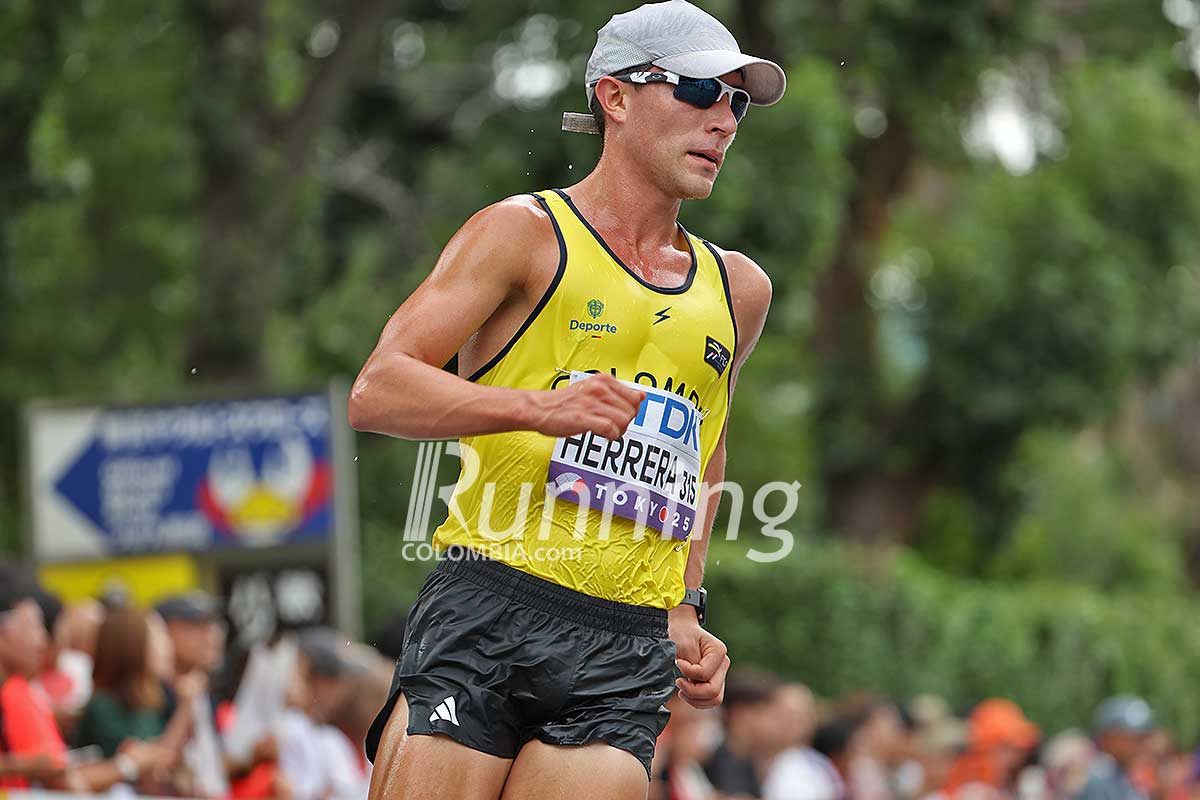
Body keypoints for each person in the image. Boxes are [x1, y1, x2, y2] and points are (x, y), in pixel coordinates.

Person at [350, 0, 783, 795]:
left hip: (625, 641)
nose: (724, 119)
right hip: (489, 601)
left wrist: (686, 603)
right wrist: (537, 409)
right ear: (616, 97)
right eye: (698, 91)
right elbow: (378, 390)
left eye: (738, 100)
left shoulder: (739, 288)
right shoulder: (524, 232)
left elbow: (703, 443)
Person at [0, 565, 159, 792]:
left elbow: (59, 771)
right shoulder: (17, 693)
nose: (43, 640)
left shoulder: (18, 691)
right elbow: (63, 780)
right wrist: (127, 766)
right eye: (32, 626)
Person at [1075, 696, 1156, 800]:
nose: (1143, 743)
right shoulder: (1099, 777)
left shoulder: (1124, 772)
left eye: (1145, 736)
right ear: (1111, 736)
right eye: (1137, 736)